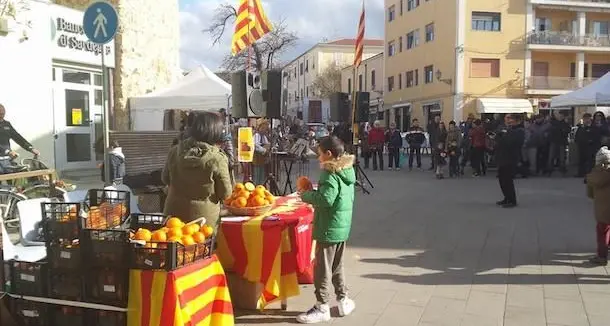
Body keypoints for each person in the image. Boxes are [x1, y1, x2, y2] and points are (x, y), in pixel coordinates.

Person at [296, 136, 356, 324]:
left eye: (320, 153)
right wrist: (315, 192)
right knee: (337, 265)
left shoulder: (329, 173)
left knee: (322, 268)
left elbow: (326, 199)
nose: (318, 157)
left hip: (328, 227)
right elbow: (334, 195)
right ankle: (343, 299)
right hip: (341, 226)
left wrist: (306, 195)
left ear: (328, 154)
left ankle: (322, 306)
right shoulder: (346, 170)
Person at [162, 112, 232, 226]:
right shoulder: (217, 158)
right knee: (200, 243)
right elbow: (226, 194)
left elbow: (165, 179)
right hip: (203, 220)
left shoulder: (175, 151)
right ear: (216, 132)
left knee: (172, 242)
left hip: (173, 216)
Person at [586, 146, 610, 266]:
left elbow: (590, 193)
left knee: (602, 231)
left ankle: (601, 256)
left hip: (603, 210)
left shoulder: (595, 174)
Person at [494, 114, 525, 208]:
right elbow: (501, 141)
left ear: (517, 121)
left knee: (508, 180)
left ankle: (512, 200)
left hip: (510, 158)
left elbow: (510, 142)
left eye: (511, 120)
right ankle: (506, 197)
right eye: (508, 119)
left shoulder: (519, 131)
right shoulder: (509, 130)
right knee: (502, 179)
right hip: (503, 157)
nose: (509, 121)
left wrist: (504, 134)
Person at [0, 104, 40, 174]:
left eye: (3, 113)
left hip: (7, 160)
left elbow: (17, 137)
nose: (2, 115)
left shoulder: (7, 124)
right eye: (0, 113)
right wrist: (8, 151)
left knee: (12, 181)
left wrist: (30, 148)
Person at [575, 113, 603, 178]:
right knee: (581, 160)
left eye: (587, 118)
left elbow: (597, 137)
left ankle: (590, 174)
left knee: (590, 161)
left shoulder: (594, 127)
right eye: (585, 119)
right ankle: (580, 173)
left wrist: (592, 141)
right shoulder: (581, 127)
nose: (586, 120)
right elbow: (577, 135)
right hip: (581, 146)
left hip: (590, 146)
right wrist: (577, 141)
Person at [546, 111, 571, 176]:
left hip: (562, 142)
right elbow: (549, 131)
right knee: (551, 157)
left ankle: (562, 170)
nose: (560, 117)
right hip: (553, 141)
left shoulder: (565, 123)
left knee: (562, 157)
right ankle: (549, 170)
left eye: (561, 116)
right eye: (559, 115)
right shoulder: (553, 123)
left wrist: (563, 130)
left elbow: (568, 130)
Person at [252, 119, 271, 185]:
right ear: (259, 128)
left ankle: (261, 185)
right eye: (262, 128)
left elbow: (267, 144)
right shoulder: (256, 135)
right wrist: (264, 150)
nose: (264, 130)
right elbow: (255, 146)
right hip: (257, 159)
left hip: (262, 160)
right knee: (257, 174)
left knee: (262, 174)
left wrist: (268, 147)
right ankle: (256, 186)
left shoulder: (264, 137)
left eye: (265, 129)